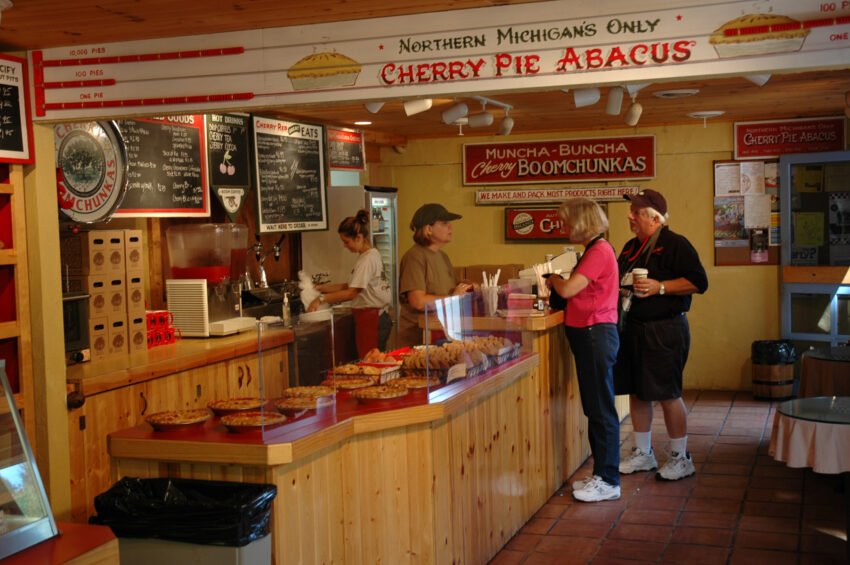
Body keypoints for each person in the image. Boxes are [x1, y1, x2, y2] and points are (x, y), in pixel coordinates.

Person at [614, 189, 708, 481]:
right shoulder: (630, 247)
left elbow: (698, 282)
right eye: (631, 210)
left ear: (654, 217)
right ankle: (643, 453)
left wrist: (661, 287)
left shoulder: (674, 244)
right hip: (633, 328)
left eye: (637, 211)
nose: (630, 215)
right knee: (638, 392)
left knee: (668, 394)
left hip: (665, 329)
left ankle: (681, 457)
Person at [546, 198, 621, 502]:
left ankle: (609, 479)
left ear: (580, 223)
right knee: (594, 407)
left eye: (565, 222)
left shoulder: (599, 251)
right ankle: (601, 474)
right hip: (588, 334)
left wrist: (553, 278)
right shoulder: (594, 249)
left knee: (601, 409)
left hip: (594, 333)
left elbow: (568, 290)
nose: (562, 228)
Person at [307, 209, 392, 356]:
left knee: (371, 365)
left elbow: (352, 293)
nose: (345, 246)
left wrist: (320, 299)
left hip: (372, 319)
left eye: (346, 242)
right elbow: (350, 285)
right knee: (372, 363)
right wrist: (323, 288)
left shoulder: (367, 260)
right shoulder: (369, 254)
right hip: (373, 318)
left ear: (358, 237)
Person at [397, 203, 476, 348]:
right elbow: (418, 301)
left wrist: (470, 286)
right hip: (418, 342)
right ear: (428, 229)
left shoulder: (442, 256)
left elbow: (454, 288)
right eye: (445, 223)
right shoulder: (414, 257)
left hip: (441, 336)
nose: (450, 227)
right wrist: (453, 298)